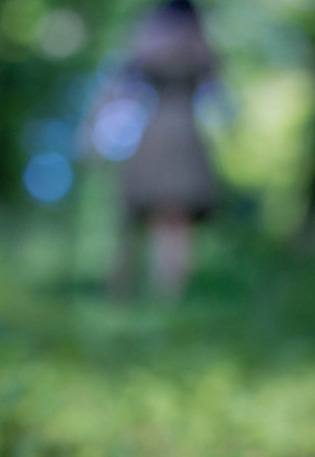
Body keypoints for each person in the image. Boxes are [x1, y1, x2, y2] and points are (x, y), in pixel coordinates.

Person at [112, 0, 218, 299]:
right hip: (178, 133)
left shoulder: (151, 36)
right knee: (168, 218)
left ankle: (151, 291)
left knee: (164, 217)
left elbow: (126, 75)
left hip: (162, 132)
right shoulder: (197, 39)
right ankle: (158, 292)